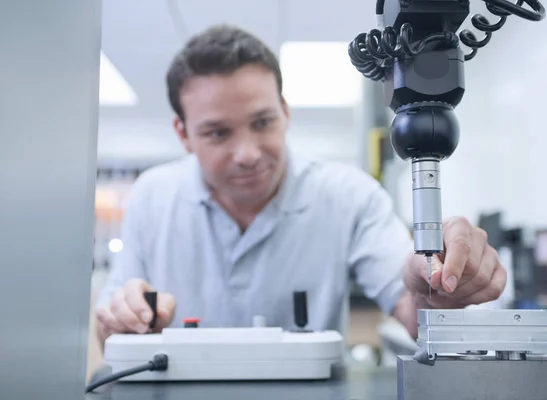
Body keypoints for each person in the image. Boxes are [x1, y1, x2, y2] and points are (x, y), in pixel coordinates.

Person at [94, 24, 506, 348]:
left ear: (285, 112)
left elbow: (414, 314)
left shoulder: (349, 195)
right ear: (183, 134)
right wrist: (124, 320)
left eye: (262, 123)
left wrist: (440, 287)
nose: (248, 154)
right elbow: (110, 332)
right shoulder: (152, 197)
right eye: (218, 133)